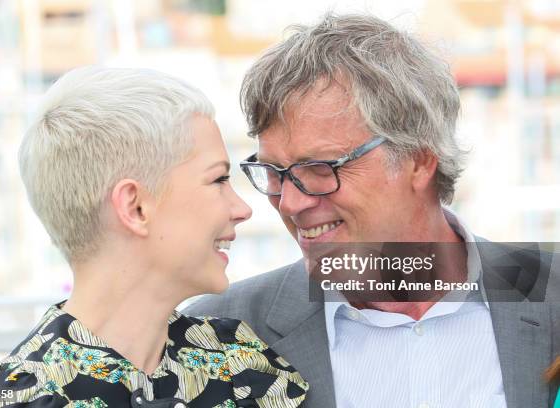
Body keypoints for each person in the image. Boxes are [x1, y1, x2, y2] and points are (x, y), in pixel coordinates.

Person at [185, 13, 560, 408]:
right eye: (275, 173)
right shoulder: (214, 336)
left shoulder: (551, 295)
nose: (292, 203)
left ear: (418, 159)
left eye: (320, 168)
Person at [0, 67, 308, 407]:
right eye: (218, 179)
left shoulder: (243, 366)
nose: (241, 209)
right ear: (135, 207)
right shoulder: (10, 398)